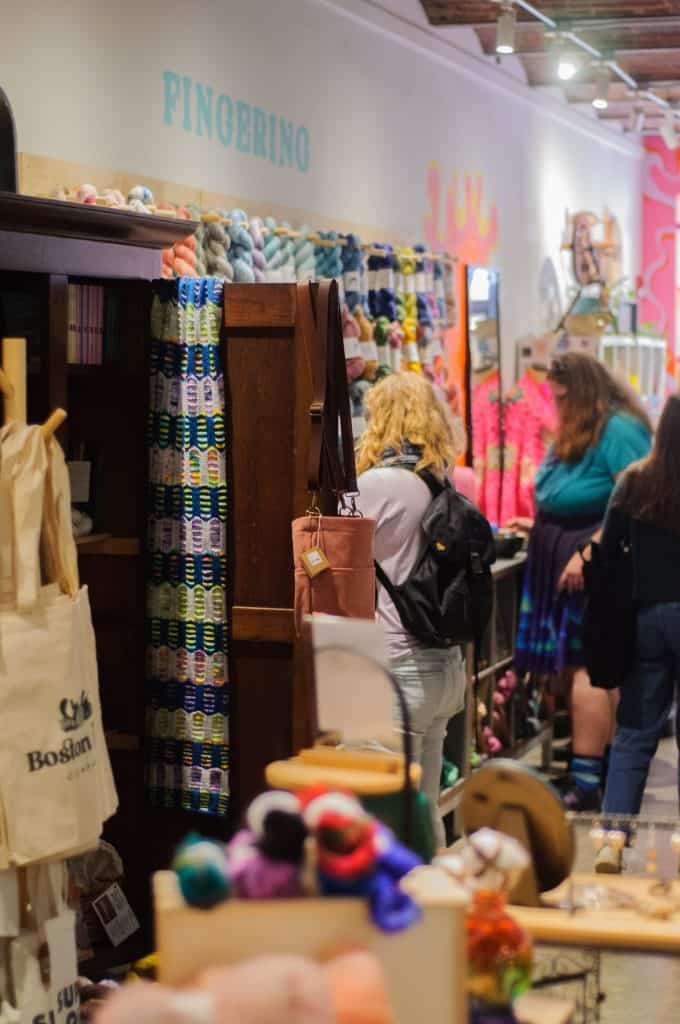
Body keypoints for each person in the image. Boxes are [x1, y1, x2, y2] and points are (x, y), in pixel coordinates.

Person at [509, 352, 652, 811]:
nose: (559, 405)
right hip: (561, 558)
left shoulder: (620, 430)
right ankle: (594, 770)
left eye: (565, 396)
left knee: (588, 666)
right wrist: (542, 527)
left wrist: (589, 549)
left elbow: (635, 502)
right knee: (576, 669)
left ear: (588, 391)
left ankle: (588, 779)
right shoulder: (582, 428)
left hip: (592, 568)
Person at [355, 372, 467, 849]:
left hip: (398, 670)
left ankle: (394, 919)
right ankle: (434, 913)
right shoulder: (447, 484)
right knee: (424, 818)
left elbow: (330, 552)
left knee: (381, 824)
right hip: (443, 668)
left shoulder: (379, 484)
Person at [600, 394, 680, 835]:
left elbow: (609, 553)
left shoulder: (634, 482)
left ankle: (612, 838)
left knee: (633, 734)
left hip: (646, 618)